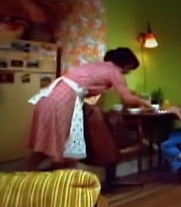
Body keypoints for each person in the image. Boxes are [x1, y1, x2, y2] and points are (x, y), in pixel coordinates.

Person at [21, 47, 151, 171]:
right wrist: (145, 102)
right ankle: (52, 181)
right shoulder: (115, 71)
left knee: (44, 150)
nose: (128, 72)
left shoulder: (97, 66)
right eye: (130, 69)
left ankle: (21, 177)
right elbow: (127, 98)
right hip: (62, 101)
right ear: (127, 64)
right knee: (62, 151)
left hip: (48, 96)